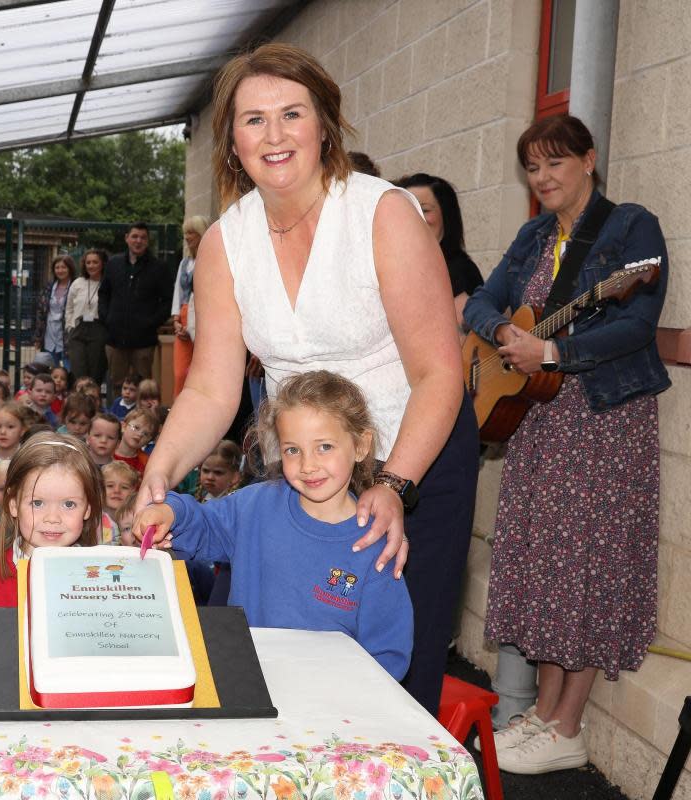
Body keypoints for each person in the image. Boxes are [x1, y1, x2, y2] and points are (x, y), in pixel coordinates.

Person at [138, 43, 477, 716]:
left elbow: (440, 372)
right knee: (277, 662)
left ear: (325, 124)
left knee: (393, 681)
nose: (275, 134)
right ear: (231, 141)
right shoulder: (223, 243)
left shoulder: (382, 214)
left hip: (415, 458)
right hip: (302, 467)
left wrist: (392, 485)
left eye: (291, 114)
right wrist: (161, 470)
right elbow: (211, 388)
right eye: (253, 119)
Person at [463, 113, 669, 774]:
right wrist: (506, 337)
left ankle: (568, 724)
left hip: (603, 420)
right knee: (544, 563)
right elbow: (480, 303)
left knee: (585, 564)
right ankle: (544, 712)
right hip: (538, 420)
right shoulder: (533, 234)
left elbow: (637, 323)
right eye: (532, 166)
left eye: (555, 162)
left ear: (589, 159)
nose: (543, 177)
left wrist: (553, 348)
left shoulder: (629, 226)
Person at [136, 371, 413, 679]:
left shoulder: (378, 545)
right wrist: (170, 512)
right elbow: (203, 524)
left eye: (325, 447)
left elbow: (387, 655)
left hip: (328, 710)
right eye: (293, 449)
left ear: (361, 446)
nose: (308, 465)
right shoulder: (255, 506)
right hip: (247, 685)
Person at [0, 432, 104, 634]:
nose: (53, 518)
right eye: (37, 503)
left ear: (87, 509)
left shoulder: (99, 578)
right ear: (13, 505)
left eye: (69, 504)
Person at [394, 173, 483, 328]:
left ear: (446, 215)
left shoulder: (458, 270)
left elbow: (463, 340)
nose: (415, 216)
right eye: (408, 209)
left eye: (424, 209)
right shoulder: (398, 267)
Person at [98, 223, 173, 394]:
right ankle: (116, 418)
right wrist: (107, 318)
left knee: (144, 387)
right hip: (115, 339)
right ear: (127, 238)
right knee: (117, 386)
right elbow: (104, 294)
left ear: (148, 241)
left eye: (143, 237)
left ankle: (142, 421)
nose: (138, 241)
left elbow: (167, 301)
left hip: (143, 341)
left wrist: (151, 322)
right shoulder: (114, 264)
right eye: (134, 236)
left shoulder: (159, 268)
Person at [171, 216, 209, 397]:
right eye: (186, 233)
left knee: (201, 372)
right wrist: (176, 320)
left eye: (192, 233)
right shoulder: (184, 263)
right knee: (180, 374)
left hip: (202, 319)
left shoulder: (211, 260)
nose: (187, 237)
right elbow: (178, 293)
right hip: (184, 317)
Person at [65, 249, 110, 388]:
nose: (91, 266)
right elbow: (69, 308)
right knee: (78, 371)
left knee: (95, 372)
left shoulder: (108, 283)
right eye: (88, 262)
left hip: (99, 329)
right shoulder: (78, 283)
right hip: (78, 328)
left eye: (95, 262)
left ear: (102, 264)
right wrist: (70, 327)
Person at [34, 254, 75, 368]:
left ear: (70, 268)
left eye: (63, 267)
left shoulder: (76, 286)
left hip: (67, 334)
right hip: (49, 333)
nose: (60, 270)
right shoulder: (48, 287)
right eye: (57, 267)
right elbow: (40, 313)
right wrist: (38, 336)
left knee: (68, 368)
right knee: (49, 369)